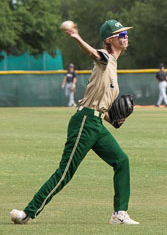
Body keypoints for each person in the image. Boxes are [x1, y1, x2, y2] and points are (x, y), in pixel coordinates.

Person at [10, 19, 139, 225]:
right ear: (109, 40)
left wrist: (113, 119)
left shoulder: (113, 65)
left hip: (97, 124)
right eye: (120, 34)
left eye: (125, 34)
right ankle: (27, 213)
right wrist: (76, 37)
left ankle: (119, 214)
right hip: (84, 123)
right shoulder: (104, 57)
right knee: (65, 173)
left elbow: (103, 106)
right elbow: (93, 54)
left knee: (121, 161)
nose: (125, 37)